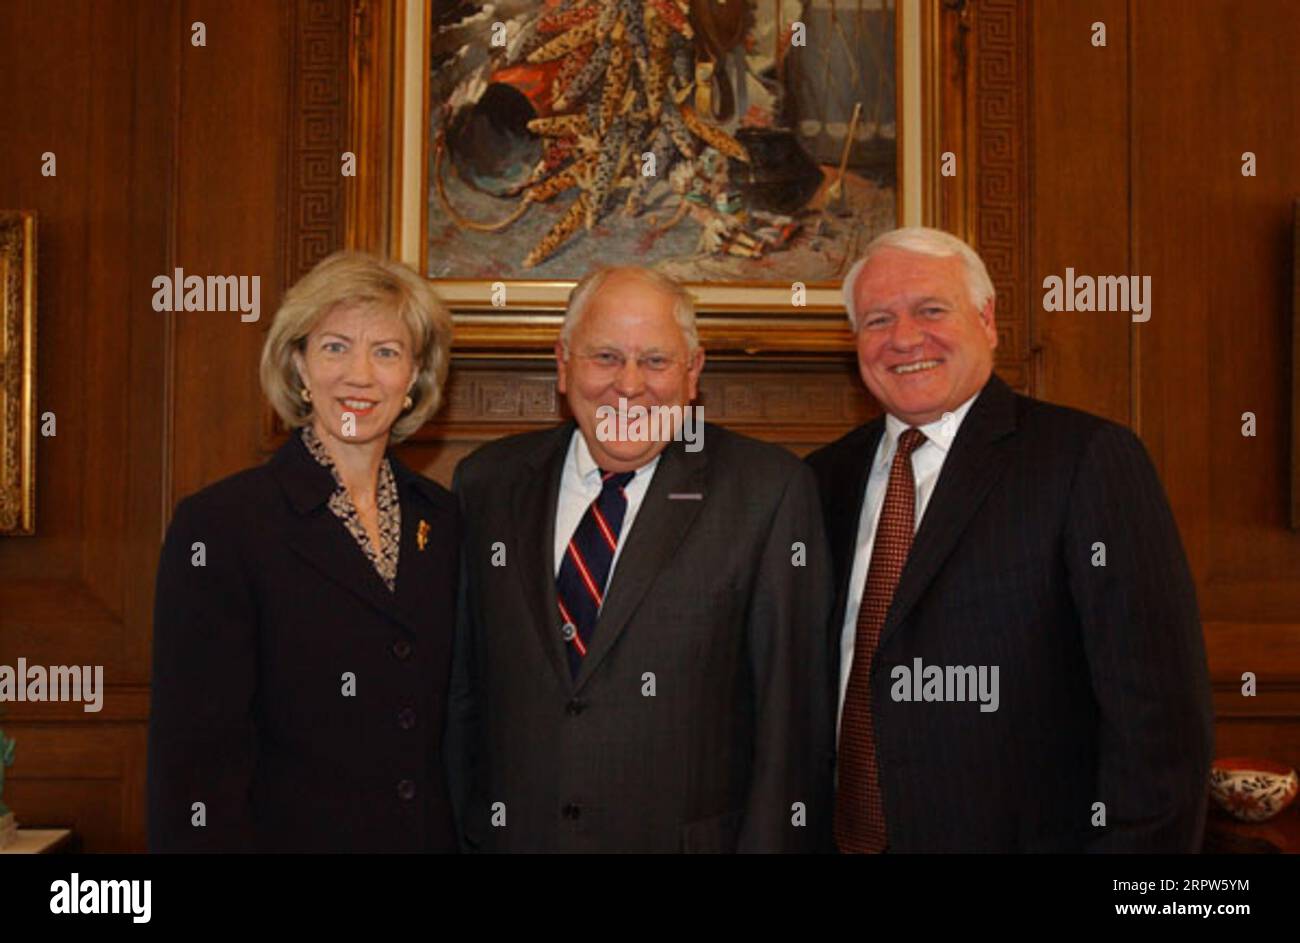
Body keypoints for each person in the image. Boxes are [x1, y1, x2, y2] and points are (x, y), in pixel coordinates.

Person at [806, 227, 1213, 853]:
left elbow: (1159, 719)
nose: (905, 338)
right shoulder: (822, 478)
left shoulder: (1086, 460)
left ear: (987, 320)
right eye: (878, 319)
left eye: (931, 310)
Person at [447, 265, 833, 852]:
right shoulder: (487, 485)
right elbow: (463, 699)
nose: (628, 386)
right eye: (605, 357)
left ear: (693, 372)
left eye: (655, 361)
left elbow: (789, 727)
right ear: (563, 363)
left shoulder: (768, 491)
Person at [148, 251, 459, 852]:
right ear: (298, 365)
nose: (360, 376)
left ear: (416, 377)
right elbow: (192, 758)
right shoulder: (221, 526)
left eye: (387, 352)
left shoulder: (442, 520)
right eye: (336, 347)